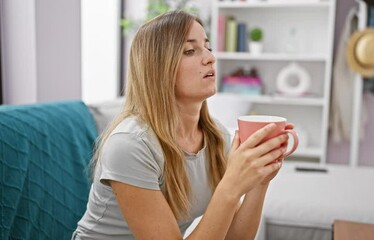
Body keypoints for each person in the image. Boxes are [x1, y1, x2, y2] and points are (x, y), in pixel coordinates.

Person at [73, 10, 294, 240]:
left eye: (207, 47)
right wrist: (230, 187)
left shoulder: (216, 137)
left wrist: (260, 181)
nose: (210, 57)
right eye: (190, 51)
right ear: (159, 69)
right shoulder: (130, 145)